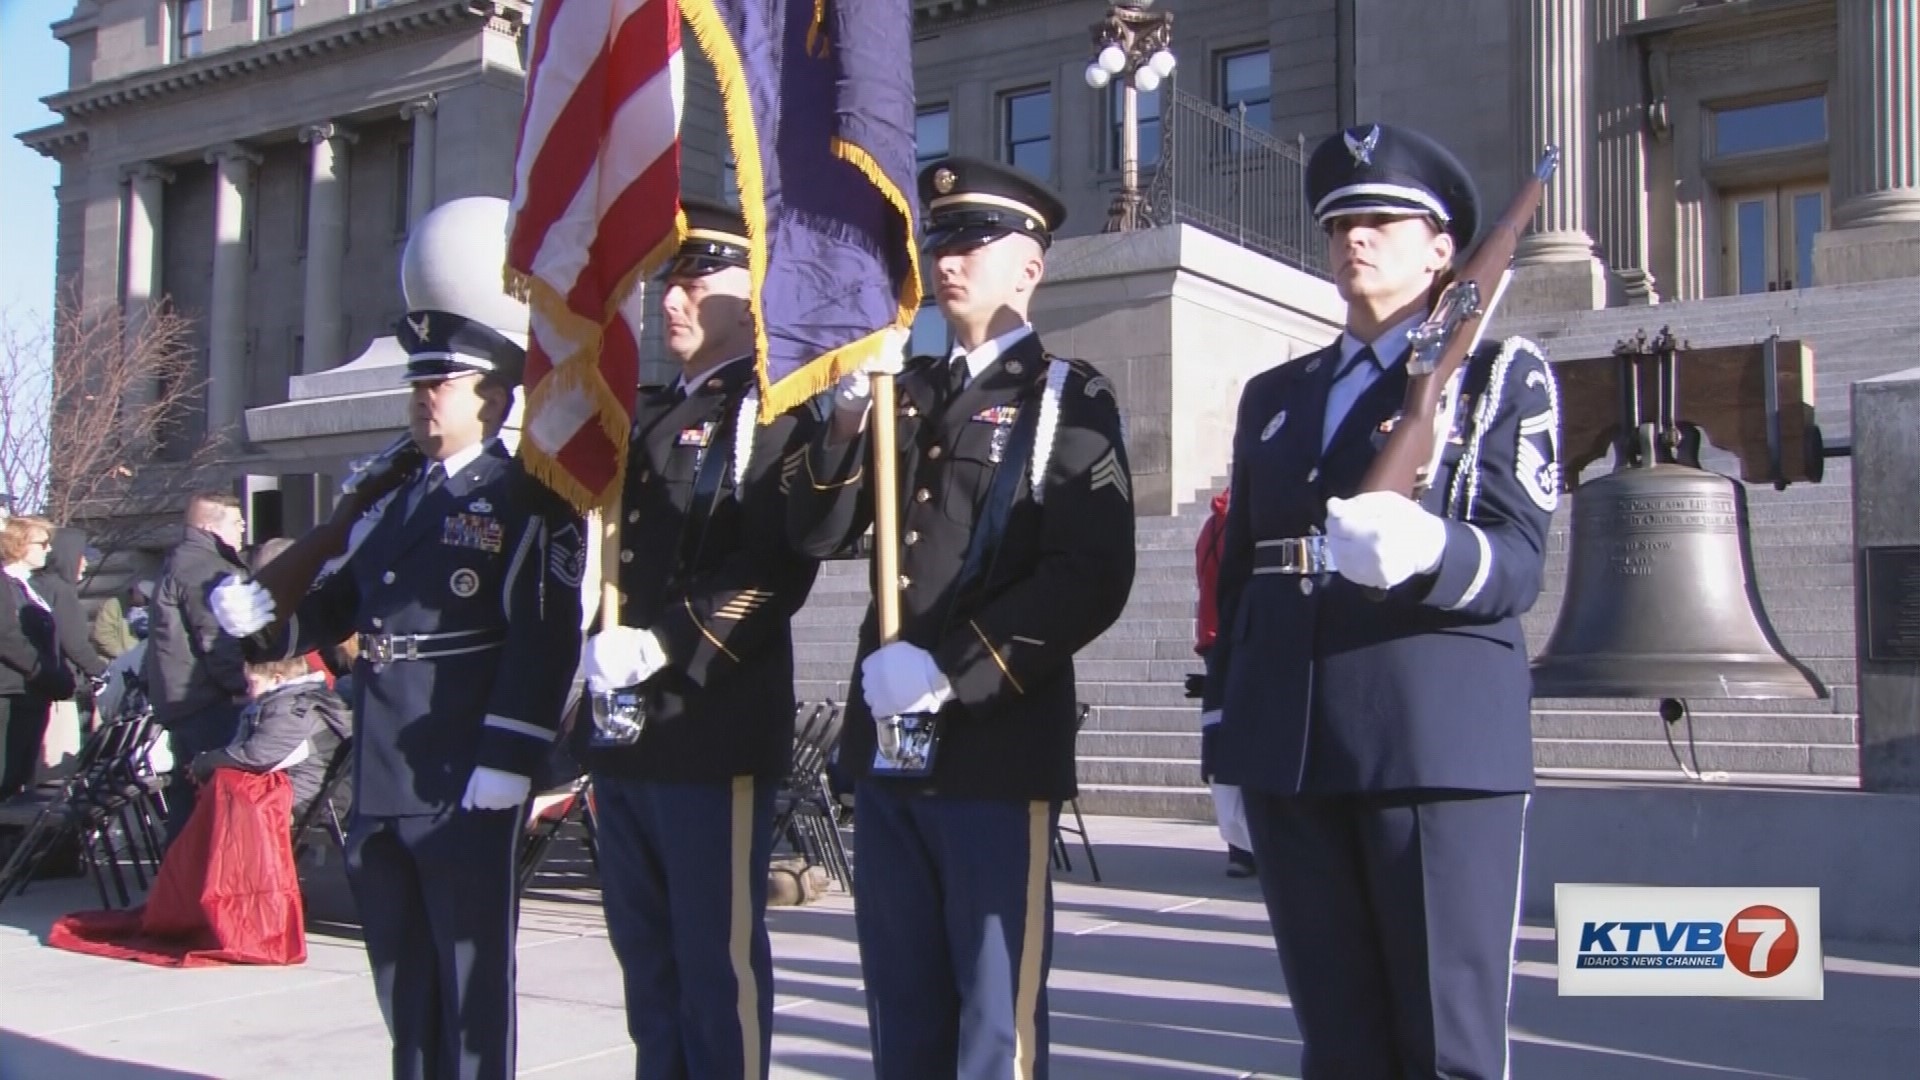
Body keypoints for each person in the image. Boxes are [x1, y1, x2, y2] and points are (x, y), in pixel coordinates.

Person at [1203, 122, 1561, 1079]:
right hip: (1293, 742)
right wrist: (1229, 735)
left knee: (1444, 1048)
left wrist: (1431, 548)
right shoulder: (1276, 394)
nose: (1354, 240)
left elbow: (1520, 562)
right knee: (1339, 1044)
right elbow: (1240, 576)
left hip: (1430, 742)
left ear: (1446, 250)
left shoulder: (1497, 375)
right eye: (1340, 225)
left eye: (1384, 222)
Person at [788, 155, 1137, 1079]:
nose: (949, 258)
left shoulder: (1067, 397)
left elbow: (1090, 575)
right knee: (902, 1010)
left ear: (1032, 265)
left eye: (976, 240)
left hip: (991, 746)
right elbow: (818, 530)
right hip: (888, 751)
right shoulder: (906, 394)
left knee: (994, 1017)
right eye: (939, 240)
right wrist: (843, 416)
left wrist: (952, 673)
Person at [211, 236, 586, 1080]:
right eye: (419, 381)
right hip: (381, 767)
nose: (424, 397)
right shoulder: (391, 493)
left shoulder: (526, 492)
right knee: (402, 981)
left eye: (442, 380)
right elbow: (339, 607)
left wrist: (509, 756)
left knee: (467, 977)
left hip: (458, 765)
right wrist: (263, 619)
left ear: (493, 393)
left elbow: (543, 635)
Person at [576, 196, 823, 1080]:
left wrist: (664, 643)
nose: (671, 300)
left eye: (695, 280)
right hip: (627, 736)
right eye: (665, 281)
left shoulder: (775, 407)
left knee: (715, 972)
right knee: (648, 968)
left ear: (750, 290)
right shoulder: (635, 416)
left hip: (711, 728)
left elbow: (776, 565)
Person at [145, 492, 251, 840]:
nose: (243, 529)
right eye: (237, 522)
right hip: (207, 697)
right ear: (210, 525)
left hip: (187, 696)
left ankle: (180, 886)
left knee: (189, 795)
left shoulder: (185, 560)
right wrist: (240, 684)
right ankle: (194, 886)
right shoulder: (204, 567)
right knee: (206, 799)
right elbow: (217, 634)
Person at [1193, 487, 1253, 879]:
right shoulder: (1244, 525)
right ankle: (1248, 846)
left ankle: (1239, 847)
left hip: (1214, 638)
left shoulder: (1211, 526)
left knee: (1223, 737)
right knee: (1245, 741)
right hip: (1240, 638)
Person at [0, 516, 73, 800]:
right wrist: (44, 673)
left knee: (18, 779)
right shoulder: (6, 583)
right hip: (11, 693)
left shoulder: (28, 587)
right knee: (6, 779)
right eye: (42, 543)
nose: (49, 549)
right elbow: (7, 637)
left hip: (31, 693)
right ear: (18, 545)